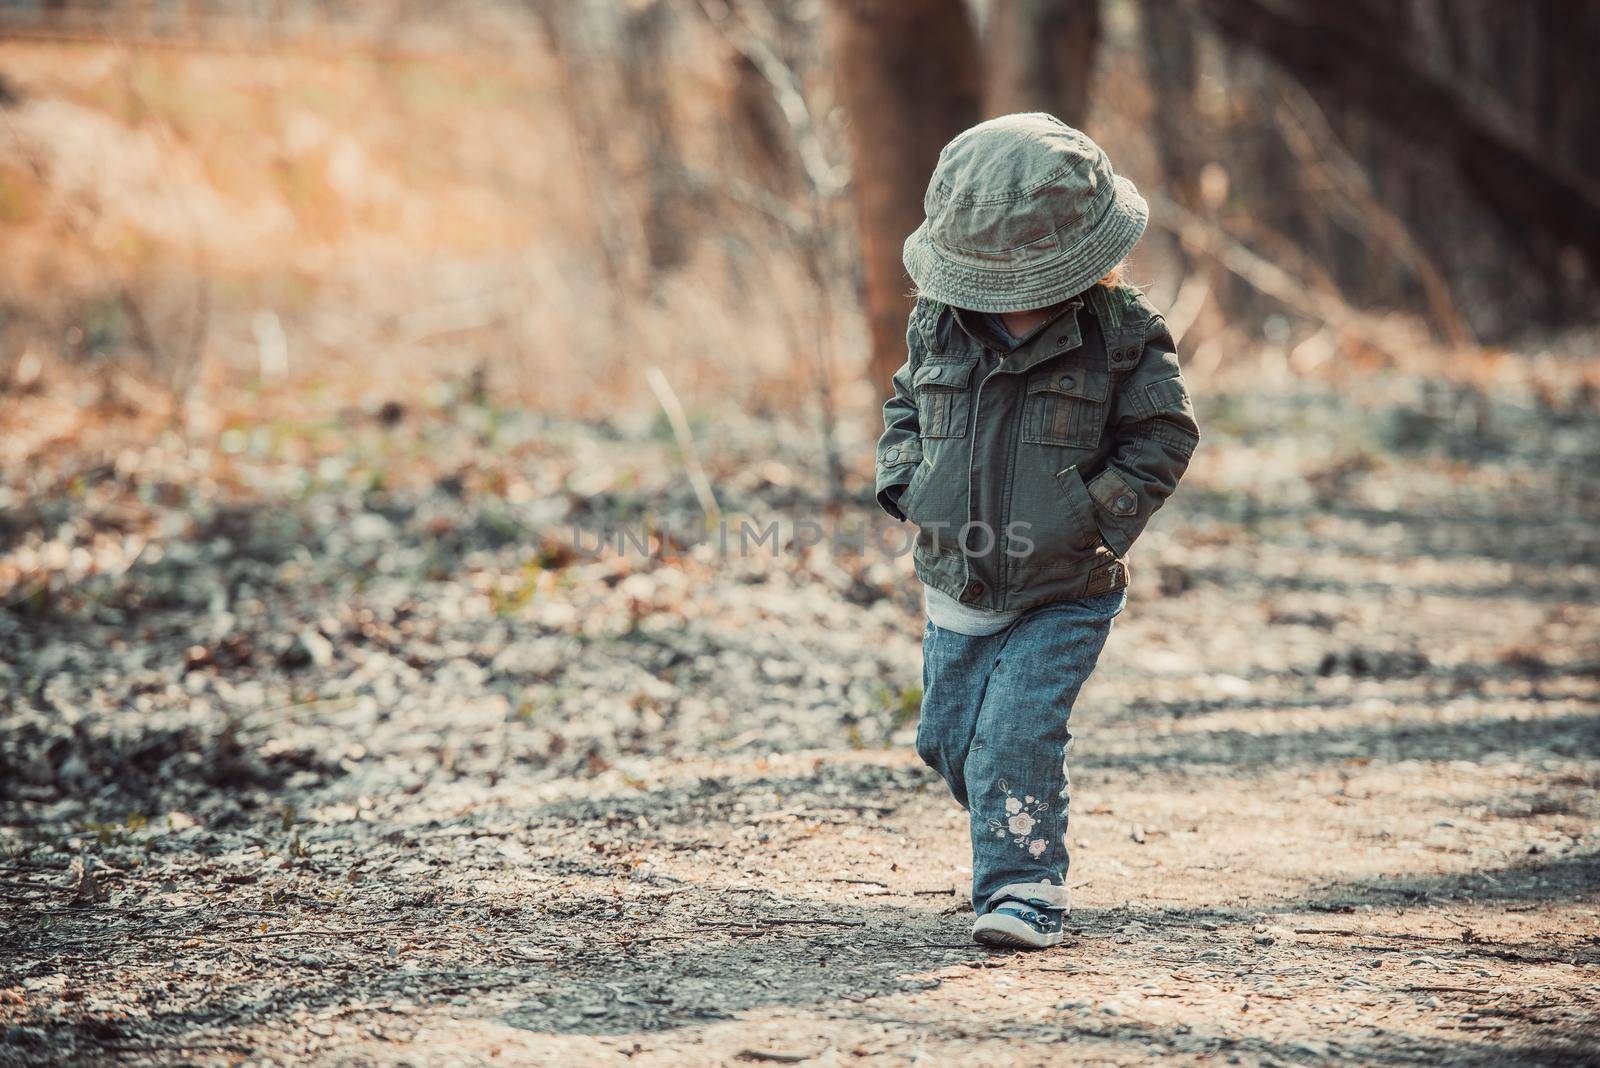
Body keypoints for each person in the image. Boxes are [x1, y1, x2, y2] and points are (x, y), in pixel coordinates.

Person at [874, 113, 1200, 949]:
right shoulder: (937, 324)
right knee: (949, 742)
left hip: (1065, 587)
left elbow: (1163, 436)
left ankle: (1025, 890)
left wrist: (1091, 517)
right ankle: (1001, 804)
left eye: (1038, 282)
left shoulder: (1122, 333)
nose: (1017, 301)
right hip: (958, 579)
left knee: (1016, 732)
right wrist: (908, 482)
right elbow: (906, 408)